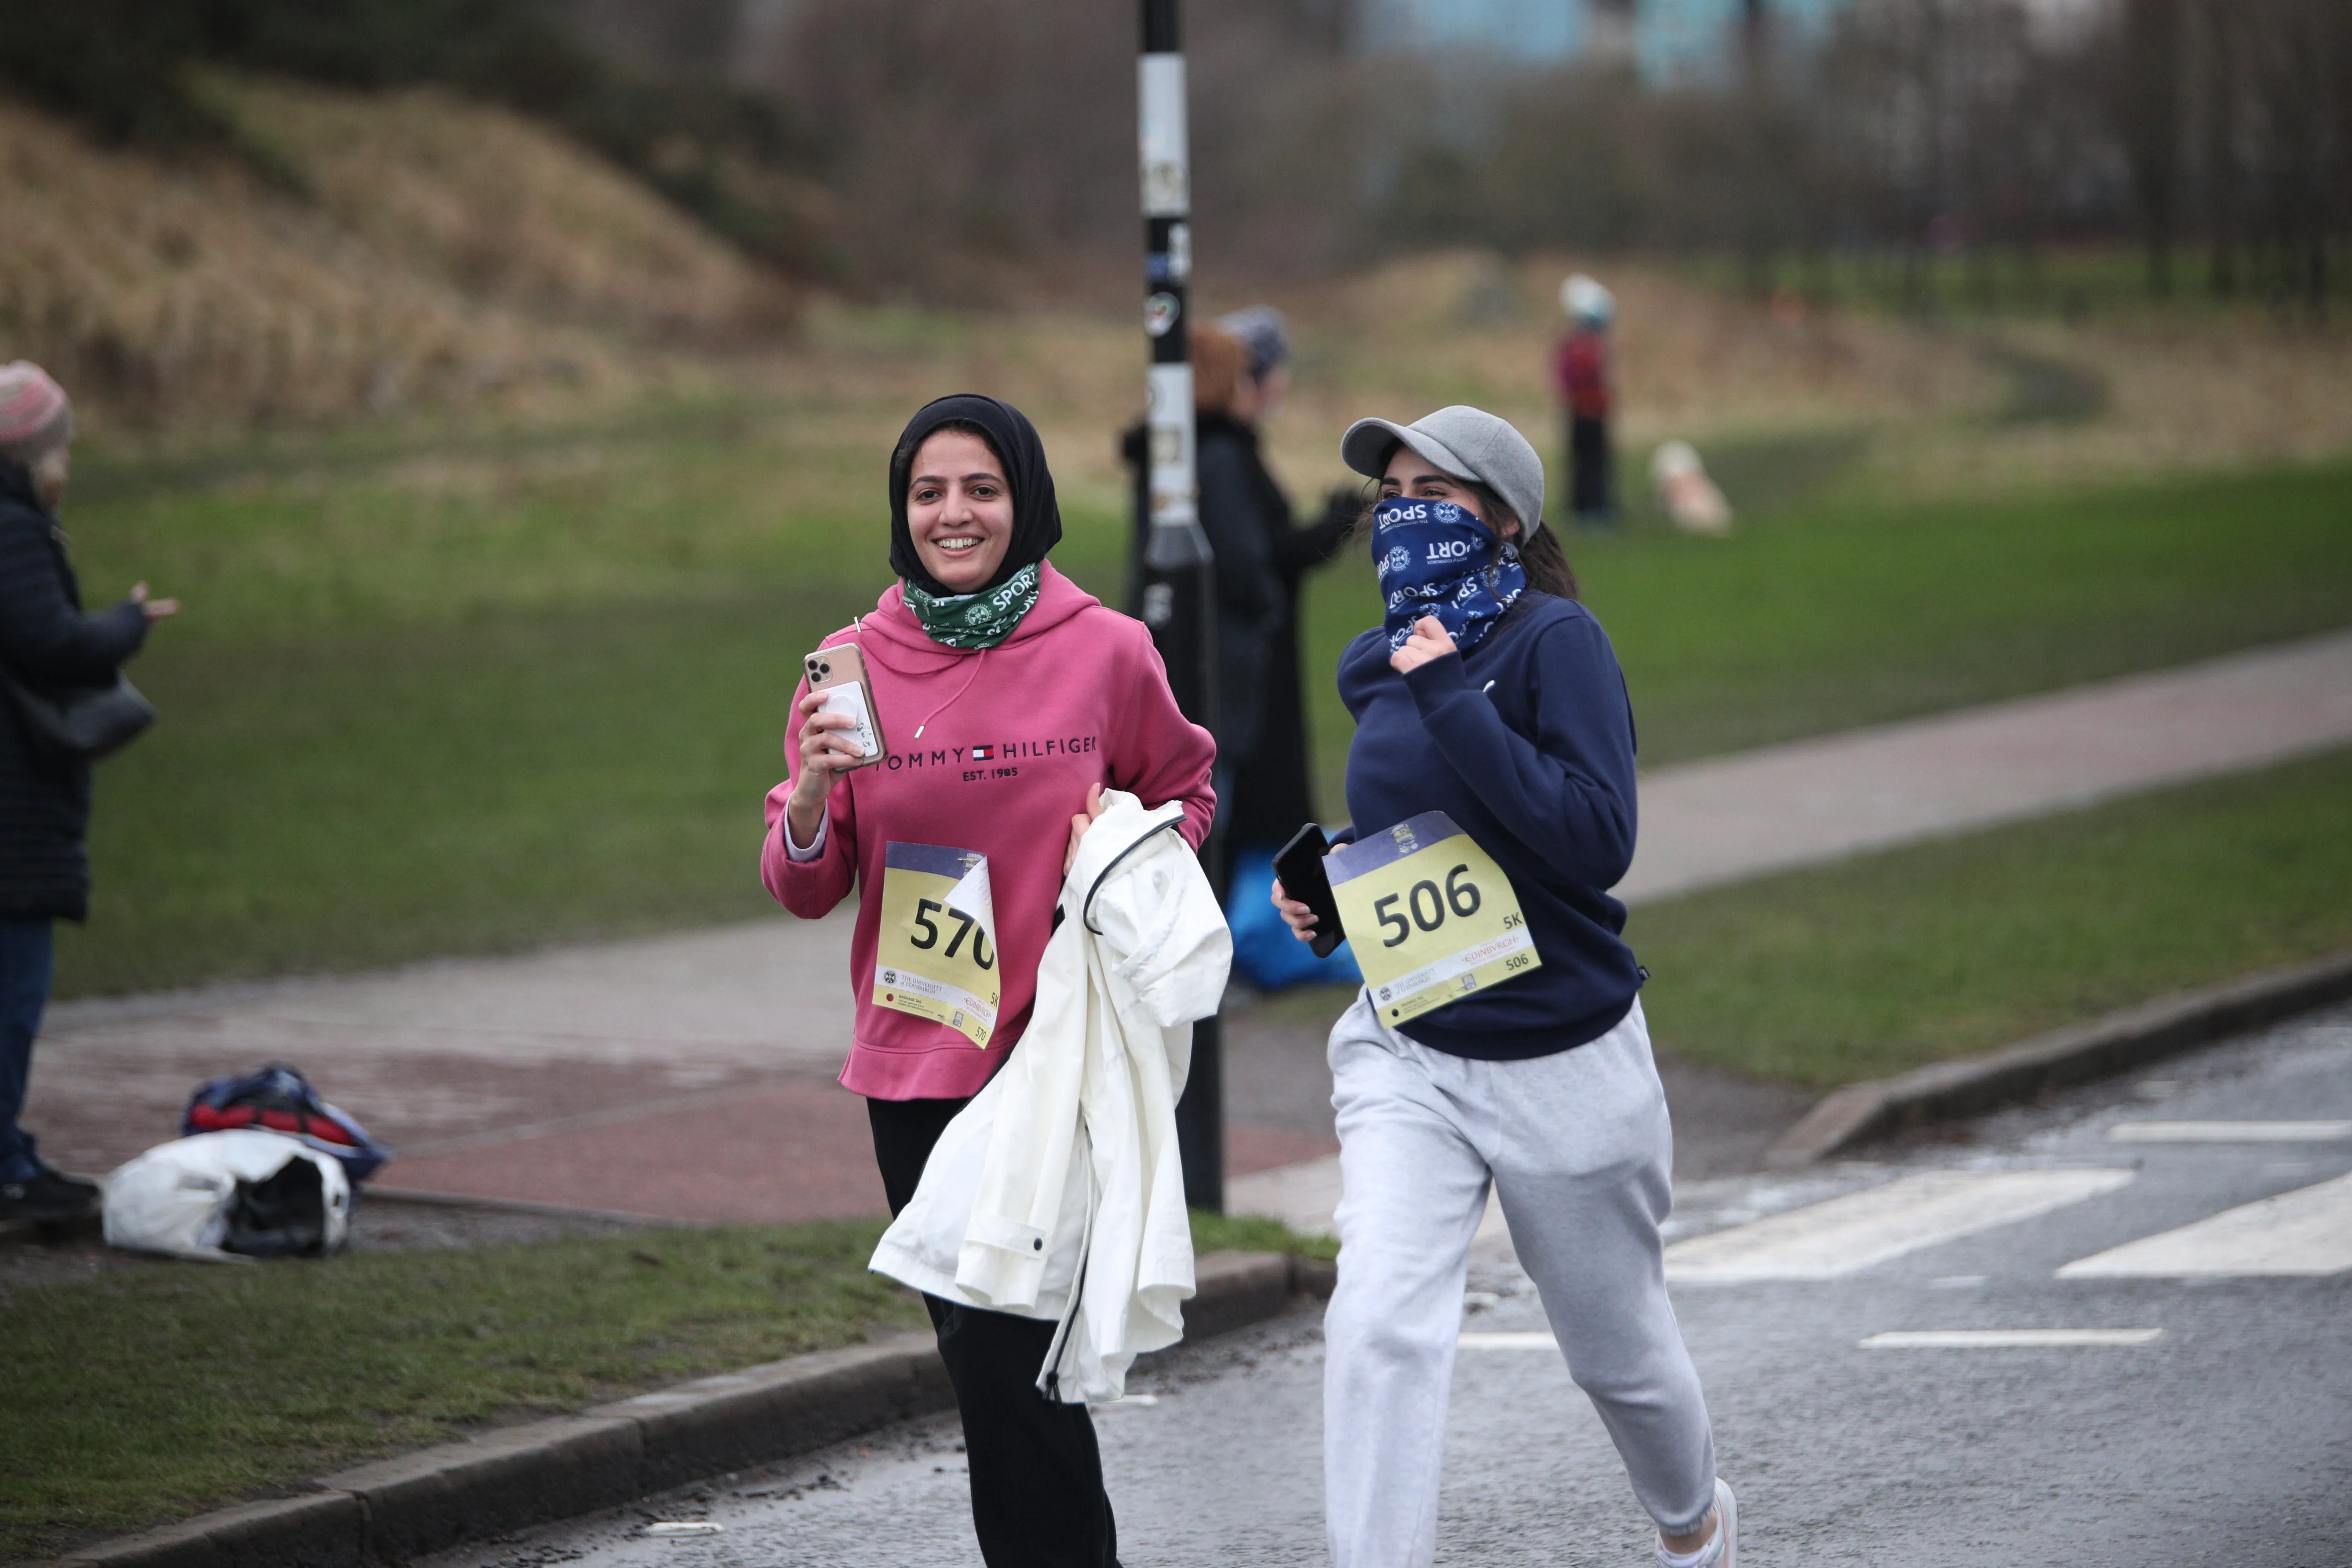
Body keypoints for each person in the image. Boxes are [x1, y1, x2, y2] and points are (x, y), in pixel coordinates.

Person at [1271, 405, 1737, 1568]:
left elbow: (1592, 838)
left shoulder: (1553, 642)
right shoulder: (1375, 661)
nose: (1402, 513)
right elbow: (1423, 834)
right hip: (1410, 1046)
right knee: (1377, 1320)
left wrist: (1452, 704)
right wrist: (1334, 882)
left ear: (1506, 518)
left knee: (1621, 1362)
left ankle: (1697, 1527)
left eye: (1435, 491)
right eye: (1390, 495)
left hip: (1564, 1055)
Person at [763, 393, 1214, 1568]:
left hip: (1053, 1060)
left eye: (980, 490)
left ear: (1025, 501)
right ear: (900, 512)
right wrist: (810, 798)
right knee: (994, 1378)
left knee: (1018, 1375)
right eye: (928, 493)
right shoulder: (849, 665)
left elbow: (1186, 792)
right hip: (916, 1068)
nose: (953, 514)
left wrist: (1122, 869)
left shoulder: (1106, 649)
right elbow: (807, 882)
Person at [0, 362, 177, 1224]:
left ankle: (8, 1153)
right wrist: (128, 623)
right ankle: (4, 1166)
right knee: (12, 990)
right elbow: (49, 639)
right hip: (13, 811)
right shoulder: (13, 528)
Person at [1554, 273, 1617, 528]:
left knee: (1587, 460)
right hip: (1587, 411)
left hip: (1585, 409)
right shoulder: (1582, 345)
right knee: (1590, 461)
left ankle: (1588, 508)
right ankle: (1592, 509)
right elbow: (1583, 378)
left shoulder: (1576, 343)